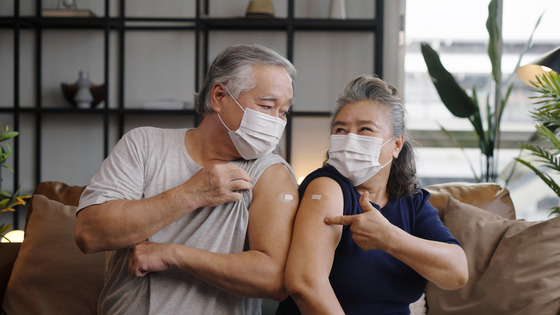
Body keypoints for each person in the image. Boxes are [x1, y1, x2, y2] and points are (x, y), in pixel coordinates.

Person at [74, 44, 299, 314]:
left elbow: (273, 280)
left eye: (283, 112)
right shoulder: (144, 144)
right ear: (219, 97)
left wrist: (174, 254)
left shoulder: (272, 172)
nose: (276, 122)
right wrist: (191, 194)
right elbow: (89, 234)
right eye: (267, 106)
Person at [276, 74, 468, 315]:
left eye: (365, 128)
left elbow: (457, 273)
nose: (349, 138)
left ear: (397, 145)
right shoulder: (327, 187)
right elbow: (305, 284)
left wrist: (391, 238)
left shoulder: (412, 202)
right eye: (340, 129)